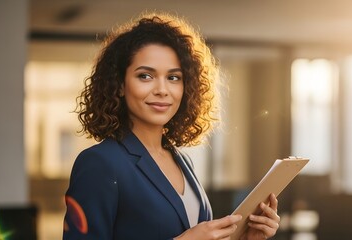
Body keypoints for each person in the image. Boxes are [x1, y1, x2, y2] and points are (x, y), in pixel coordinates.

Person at [63, 12, 280, 240]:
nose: (162, 90)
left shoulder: (181, 160)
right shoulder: (101, 163)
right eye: (145, 76)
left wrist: (246, 237)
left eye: (174, 78)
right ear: (119, 85)